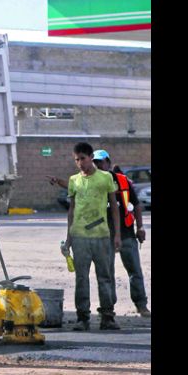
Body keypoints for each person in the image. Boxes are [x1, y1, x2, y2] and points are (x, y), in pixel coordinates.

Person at [65, 142, 121, 331]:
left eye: (83, 158)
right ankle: (82, 318)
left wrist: (117, 235)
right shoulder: (74, 180)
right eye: (76, 159)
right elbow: (71, 209)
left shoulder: (105, 178)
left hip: (102, 236)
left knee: (104, 277)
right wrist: (69, 237)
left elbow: (114, 207)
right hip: (79, 236)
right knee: (81, 278)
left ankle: (107, 317)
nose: (80, 162)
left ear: (91, 158)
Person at [92, 150, 151, 317]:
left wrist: (140, 227)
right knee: (107, 273)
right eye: (95, 163)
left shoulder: (123, 181)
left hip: (126, 234)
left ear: (108, 163)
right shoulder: (92, 182)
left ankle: (141, 305)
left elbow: (136, 205)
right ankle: (108, 308)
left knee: (135, 271)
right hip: (104, 236)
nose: (98, 166)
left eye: (101, 162)